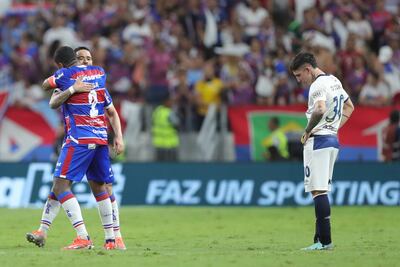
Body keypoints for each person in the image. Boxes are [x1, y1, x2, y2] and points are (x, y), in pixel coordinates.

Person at [26, 47, 127, 250]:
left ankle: (85, 237)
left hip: (80, 138)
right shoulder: (100, 74)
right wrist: (72, 88)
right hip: (99, 139)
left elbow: (46, 85)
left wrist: (70, 85)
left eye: (88, 58)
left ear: (60, 65)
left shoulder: (64, 75)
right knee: (95, 187)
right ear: (76, 58)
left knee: (61, 185)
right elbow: (55, 100)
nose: (85, 62)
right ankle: (109, 240)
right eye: (81, 58)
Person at [290, 52, 354, 250]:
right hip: (331, 140)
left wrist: (308, 131)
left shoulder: (317, 85)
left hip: (317, 141)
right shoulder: (334, 81)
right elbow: (349, 107)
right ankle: (319, 240)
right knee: (322, 191)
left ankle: (325, 242)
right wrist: (332, 128)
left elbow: (319, 108)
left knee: (318, 191)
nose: (299, 80)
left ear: (308, 69)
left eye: (299, 75)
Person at [152, 96, 180, 161]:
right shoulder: (169, 112)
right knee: (171, 164)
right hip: (170, 143)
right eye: (170, 101)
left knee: (159, 164)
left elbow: (153, 122)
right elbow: (177, 123)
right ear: (166, 102)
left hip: (158, 142)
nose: (172, 103)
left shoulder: (157, 110)